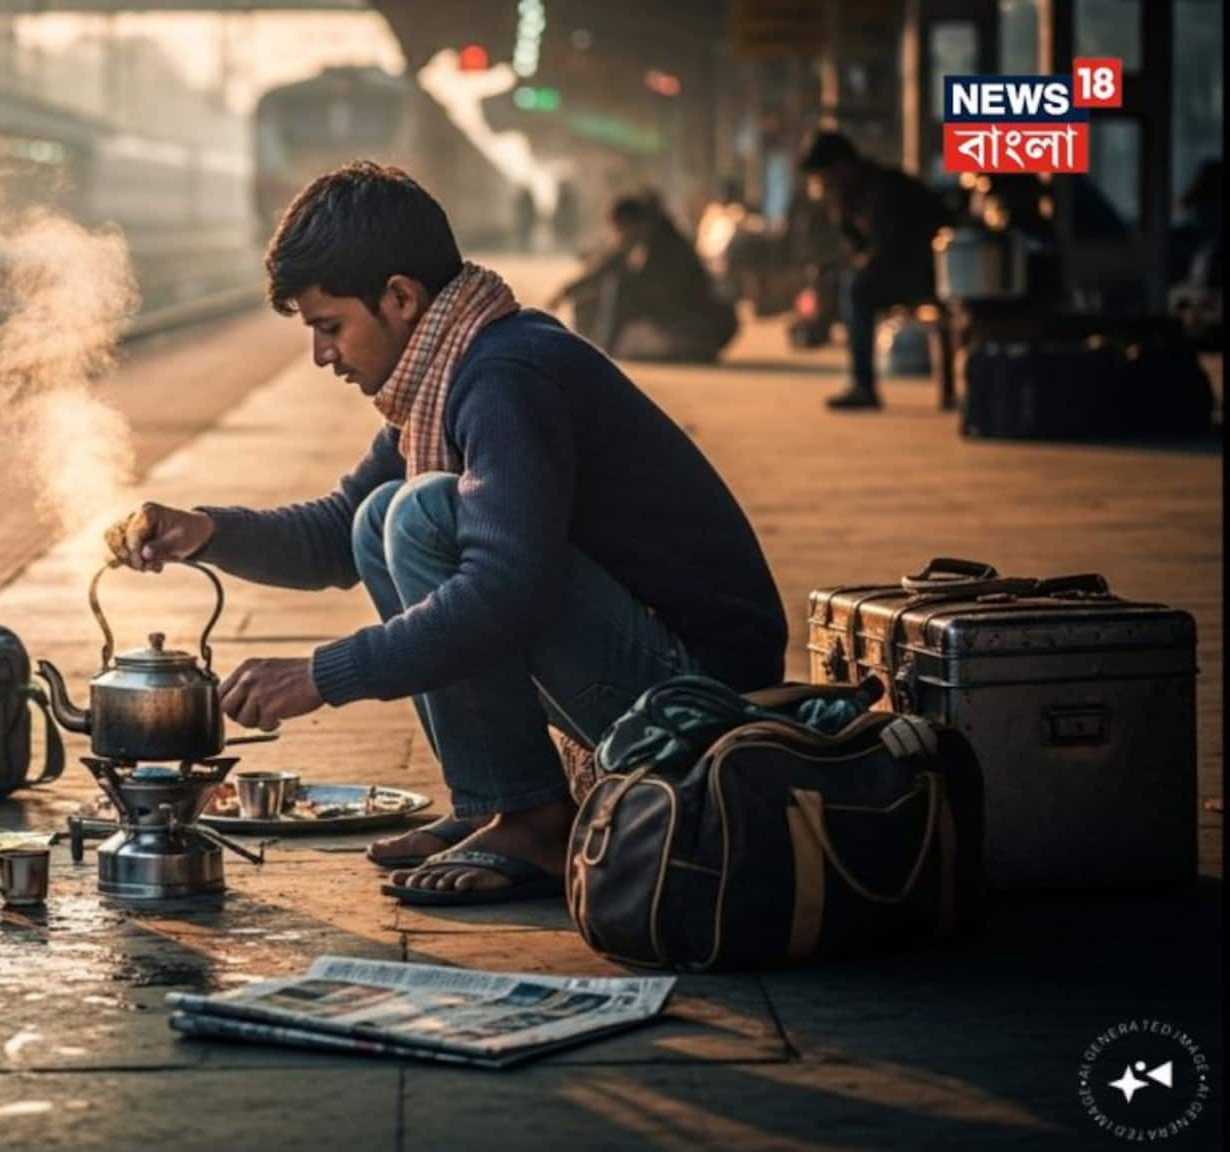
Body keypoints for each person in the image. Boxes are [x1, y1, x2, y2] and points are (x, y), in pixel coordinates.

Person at [103, 162, 786, 905]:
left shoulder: (507, 377)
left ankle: (531, 818)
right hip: (647, 669)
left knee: (422, 515)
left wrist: (320, 677)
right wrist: (203, 532)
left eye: (330, 328)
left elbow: (502, 592)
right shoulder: (453, 367)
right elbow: (337, 536)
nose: (321, 356)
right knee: (377, 518)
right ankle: (497, 802)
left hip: (701, 703)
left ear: (400, 297)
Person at [797, 130, 954, 410]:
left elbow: (889, 251)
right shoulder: (850, 195)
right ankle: (854, 374)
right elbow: (857, 250)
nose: (820, 183)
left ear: (841, 167)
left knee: (857, 288)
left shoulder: (884, 188)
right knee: (842, 281)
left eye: (823, 175)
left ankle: (863, 385)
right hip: (897, 271)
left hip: (932, 272)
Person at [547, 192, 738, 362]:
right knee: (591, 301)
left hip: (691, 326)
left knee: (618, 288)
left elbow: (650, 293)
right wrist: (564, 292)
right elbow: (603, 270)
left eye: (619, 230)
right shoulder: (642, 244)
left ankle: (604, 354)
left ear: (634, 225)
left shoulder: (666, 249)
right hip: (676, 323)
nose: (617, 237)